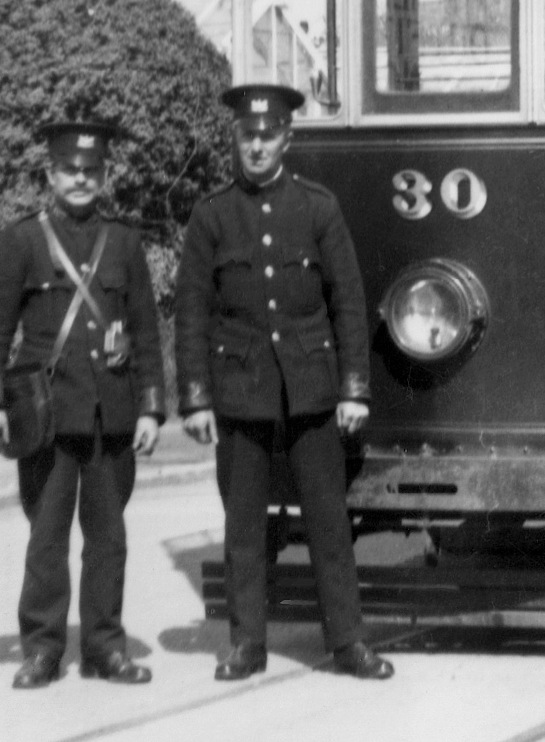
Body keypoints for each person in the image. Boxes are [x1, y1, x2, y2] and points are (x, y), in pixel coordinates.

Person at [174, 84, 394, 681]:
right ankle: (247, 644)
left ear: (287, 139)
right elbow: (191, 310)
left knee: (327, 521)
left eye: (269, 135)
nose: (258, 146)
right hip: (240, 389)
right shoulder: (212, 214)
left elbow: (347, 301)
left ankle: (348, 642)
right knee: (243, 525)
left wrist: (353, 387)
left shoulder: (318, 207)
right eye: (248, 136)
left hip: (312, 389)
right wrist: (194, 398)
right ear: (236, 139)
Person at [0, 121, 166, 688]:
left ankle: (104, 648)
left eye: (92, 171)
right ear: (51, 174)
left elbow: (144, 327)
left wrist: (149, 407)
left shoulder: (123, 240)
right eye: (70, 170)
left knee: (108, 539)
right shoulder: (20, 240)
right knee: (46, 538)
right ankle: (42, 648)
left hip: (111, 411)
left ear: (105, 175)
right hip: (45, 413)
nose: (81, 180)